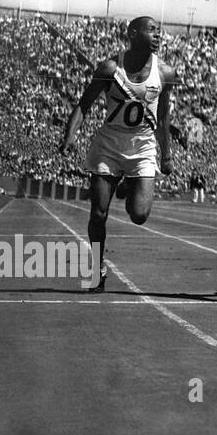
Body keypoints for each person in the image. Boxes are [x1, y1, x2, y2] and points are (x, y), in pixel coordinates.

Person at [59, 16, 177, 291]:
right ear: (133, 34)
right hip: (109, 144)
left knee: (139, 215)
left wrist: (167, 155)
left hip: (143, 146)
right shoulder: (111, 68)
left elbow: (163, 116)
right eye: (152, 30)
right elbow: (83, 105)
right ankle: (98, 268)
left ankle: (125, 185)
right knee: (99, 214)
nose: (158, 35)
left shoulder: (165, 73)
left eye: (160, 31)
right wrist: (69, 136)